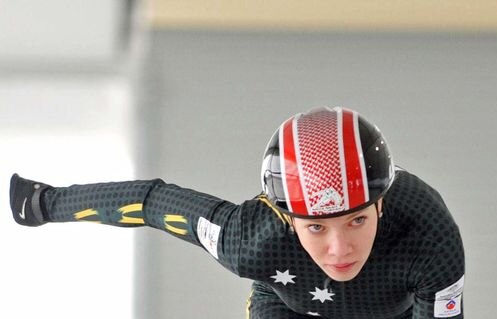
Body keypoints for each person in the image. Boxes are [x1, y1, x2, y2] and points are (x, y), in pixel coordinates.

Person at [10, 107, 465, 318]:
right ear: (285, 219)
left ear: (382, 202)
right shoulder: (251, 239)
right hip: (287, 305)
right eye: (315, 227)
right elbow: (151, 203)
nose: (339, 249)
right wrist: (44, 203)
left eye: (358, 220)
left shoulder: (430, 236)